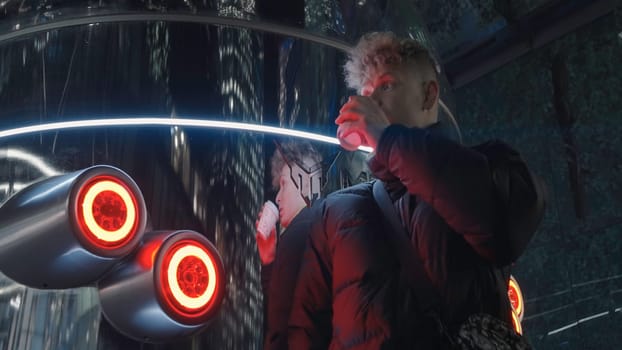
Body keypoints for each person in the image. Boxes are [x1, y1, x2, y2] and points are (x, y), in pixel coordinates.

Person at [288, 31, 546, 349]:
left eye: (386, 85)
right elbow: (306, 327)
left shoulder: (490, 162)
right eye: (366, 92)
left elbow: (500, 232)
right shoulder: (338, 211)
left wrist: (387, 138)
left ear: (428, 95)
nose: (373, 101)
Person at [255, 140, 324, 350]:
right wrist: (269, 260)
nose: (277, 197)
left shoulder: (298, 232)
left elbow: (279, 326)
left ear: (304, 182)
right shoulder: (320, 227)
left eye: (283, 184)